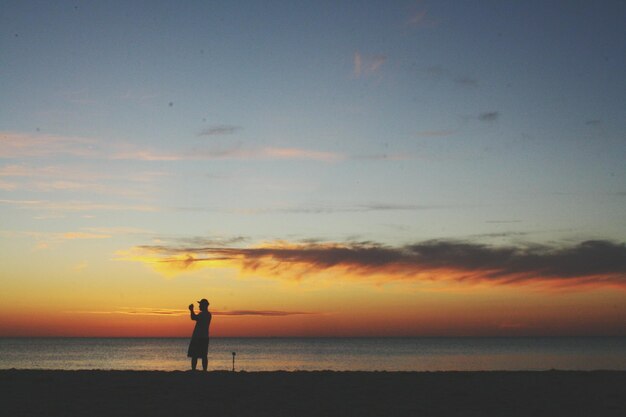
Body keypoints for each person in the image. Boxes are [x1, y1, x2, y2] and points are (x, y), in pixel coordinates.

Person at [187, 298, 212, 371]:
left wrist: (191, 310)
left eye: (200, 304)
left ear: (204, 305)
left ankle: (194, 370)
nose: (199, 306)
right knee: (204, 355)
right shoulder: (208, 314)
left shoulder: (203, 314)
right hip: (204, 337)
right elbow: (194, 318)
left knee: (195, 355)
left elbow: (193, 317)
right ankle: (204, 370)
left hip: (198, 337)